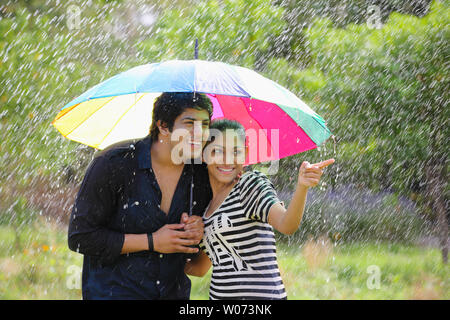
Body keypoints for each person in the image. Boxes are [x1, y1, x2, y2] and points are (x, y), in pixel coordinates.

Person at [68, 92, 214, 299]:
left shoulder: (201, 175)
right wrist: (152, 241)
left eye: (205, 124)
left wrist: (200, 230)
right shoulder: (114, 163)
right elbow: (80, 237)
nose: (199, 133)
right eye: (189, 123)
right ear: (163, 125)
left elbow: (197, 266)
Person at [185, 119, 335, 299]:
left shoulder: (249, 186)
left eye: (236, 152)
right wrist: (161, 255)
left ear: (246, 154)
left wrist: (301, 186)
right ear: (203, 155)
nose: (227, 160)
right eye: (217, 151)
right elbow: (200, 268)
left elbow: (287, 224)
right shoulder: (205, 207)